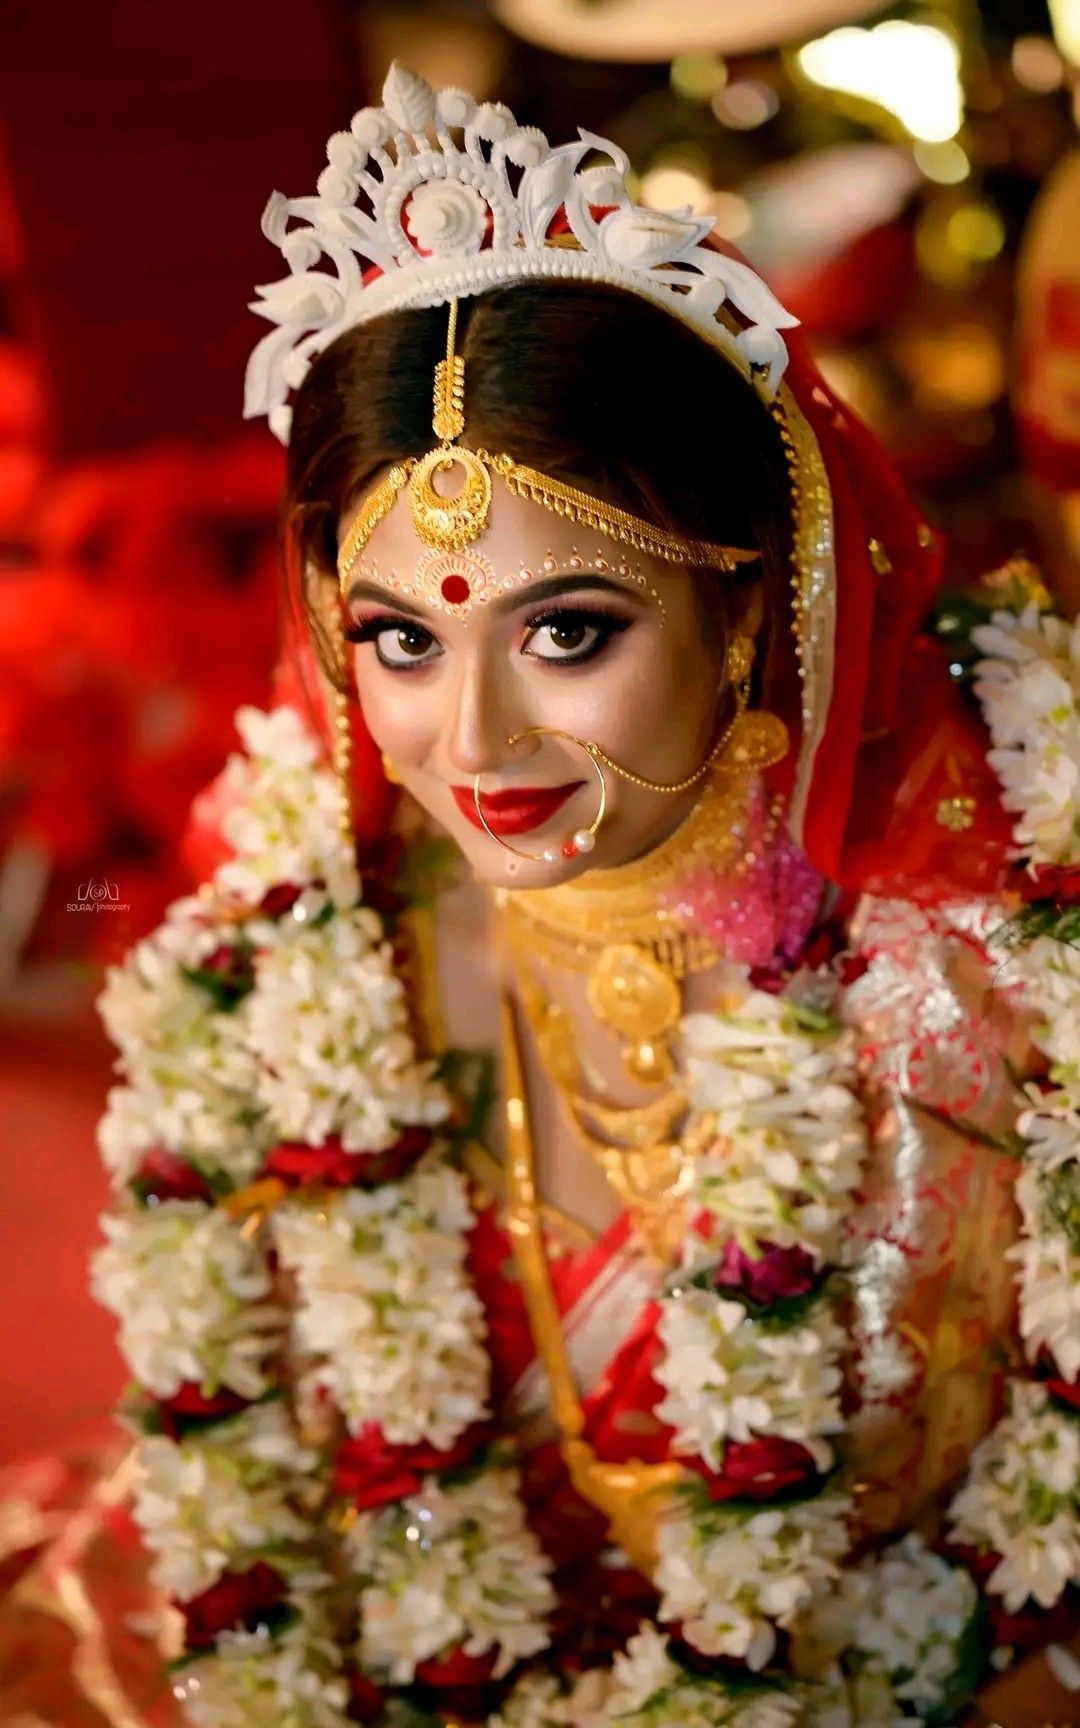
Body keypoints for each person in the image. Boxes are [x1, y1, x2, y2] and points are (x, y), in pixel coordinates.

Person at [87, 61, 1079, 1728]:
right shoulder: (312, 954)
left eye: (567, 632)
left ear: (752, 608)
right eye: (403, 637)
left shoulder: (983, 959)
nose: (474, 744)